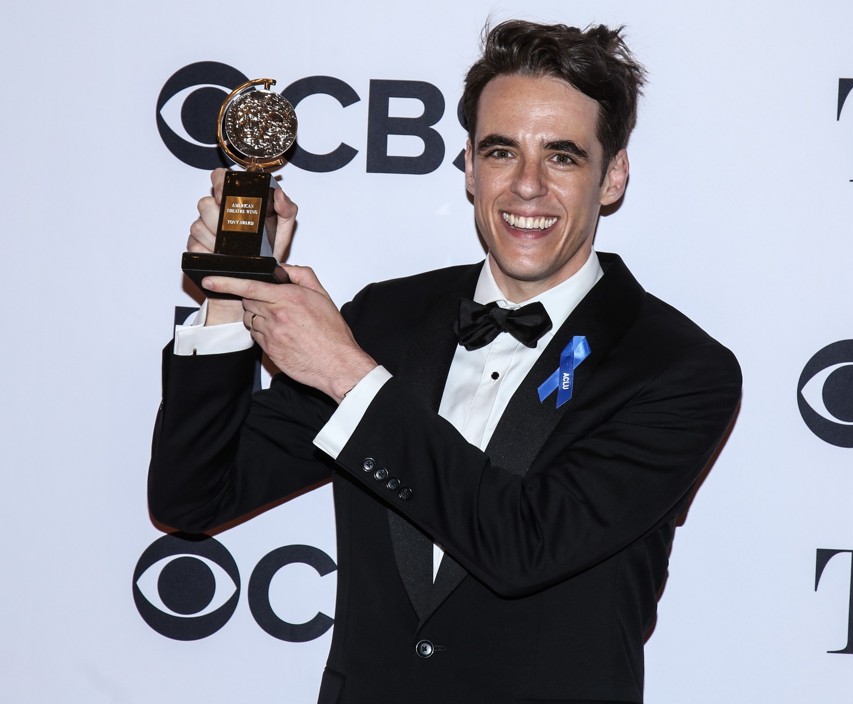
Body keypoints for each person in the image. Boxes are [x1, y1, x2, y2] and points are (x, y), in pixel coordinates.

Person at [149, 19, 742, 704]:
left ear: (612, 177)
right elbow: (192, 495)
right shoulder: (386, 320)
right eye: (501, 152)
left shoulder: (678, 370)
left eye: (562, 157)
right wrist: (232, 289)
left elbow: (522, 547)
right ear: (468, 166)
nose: (526, 186)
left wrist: (347, 374)